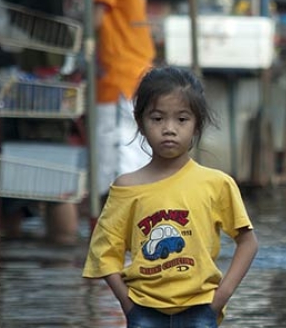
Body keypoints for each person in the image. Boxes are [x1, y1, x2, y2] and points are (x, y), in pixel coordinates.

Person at [82, 67, 259, 327]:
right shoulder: (126, 187)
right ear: (140, 122)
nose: (169, 129)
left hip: (200, 309)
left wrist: (219, 299)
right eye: (157, 118)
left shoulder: (217, 184)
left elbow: (248, 243)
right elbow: (104, 252)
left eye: (182, 119)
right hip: (143, 310)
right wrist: (128, 305)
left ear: (197, 123)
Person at [93, 0, 156, 199]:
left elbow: (96, 18)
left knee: (118, 157)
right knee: (134, 152)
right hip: (134, 74)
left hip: (118, 76)